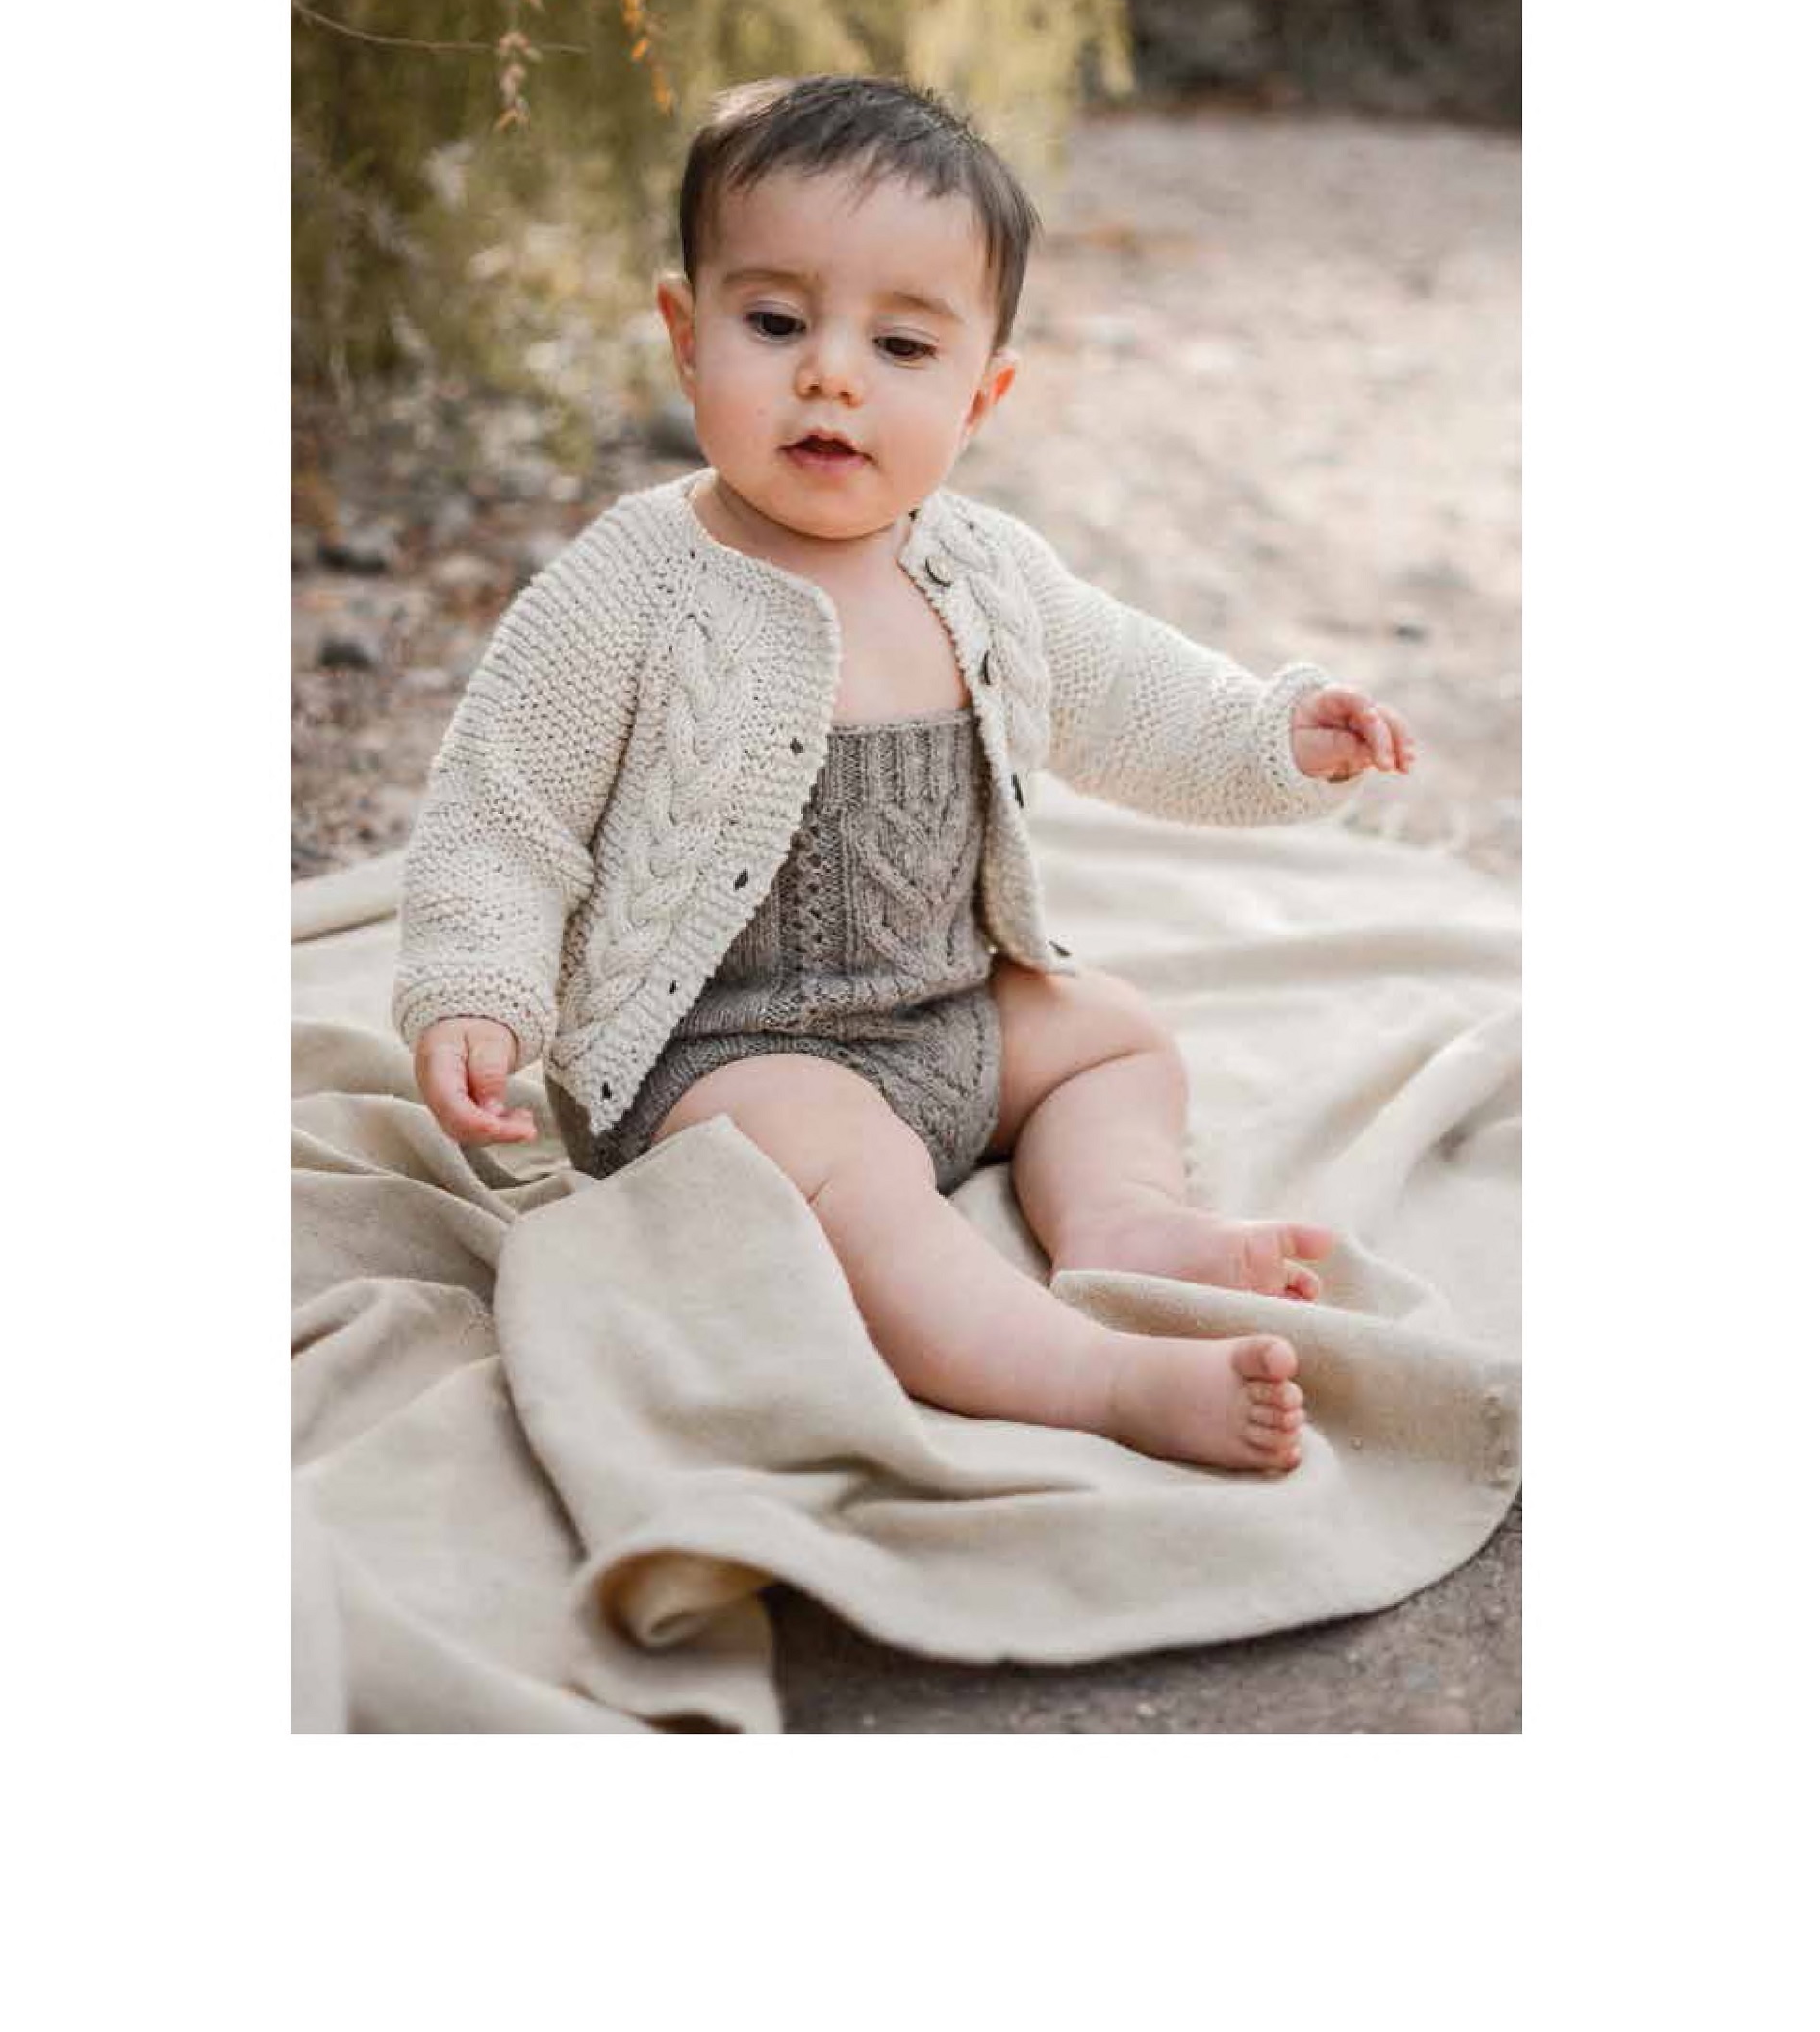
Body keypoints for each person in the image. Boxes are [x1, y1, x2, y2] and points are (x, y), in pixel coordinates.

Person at [395, 74, 1416, 1475]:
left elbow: (1138, 694)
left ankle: (1118, 1217)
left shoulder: (985, 572)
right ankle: (1090, 1375)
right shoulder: (628, 588)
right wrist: (478, 990)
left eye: (901, 344)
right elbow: (502, 810)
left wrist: (1273, 740)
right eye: (775, 324)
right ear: (686, 338)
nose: (833, 375)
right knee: (845, 1161)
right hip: (720, 1064)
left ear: (982, 391)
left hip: (945, 1015)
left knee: (1112, 1032)